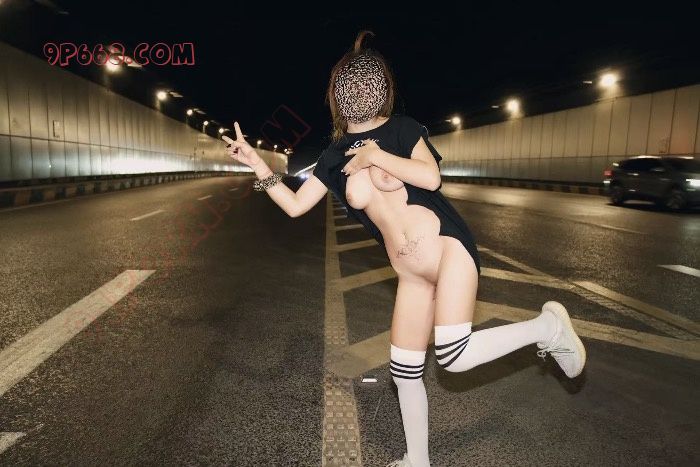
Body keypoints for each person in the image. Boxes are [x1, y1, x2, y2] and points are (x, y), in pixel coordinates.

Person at [224, 30, 586, 467]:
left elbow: (430, 178)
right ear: (338, 94)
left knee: (453, 356)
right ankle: (418, 461)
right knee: (404, 370)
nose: (359, 89)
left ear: (380, 88)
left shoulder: (402, 130)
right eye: (351, 83)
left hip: (448, 250)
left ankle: (547, 328)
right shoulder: (334, 155)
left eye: (366, 80)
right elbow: (297, 206)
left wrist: (375, 155)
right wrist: (257, 164)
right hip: (411, 276)